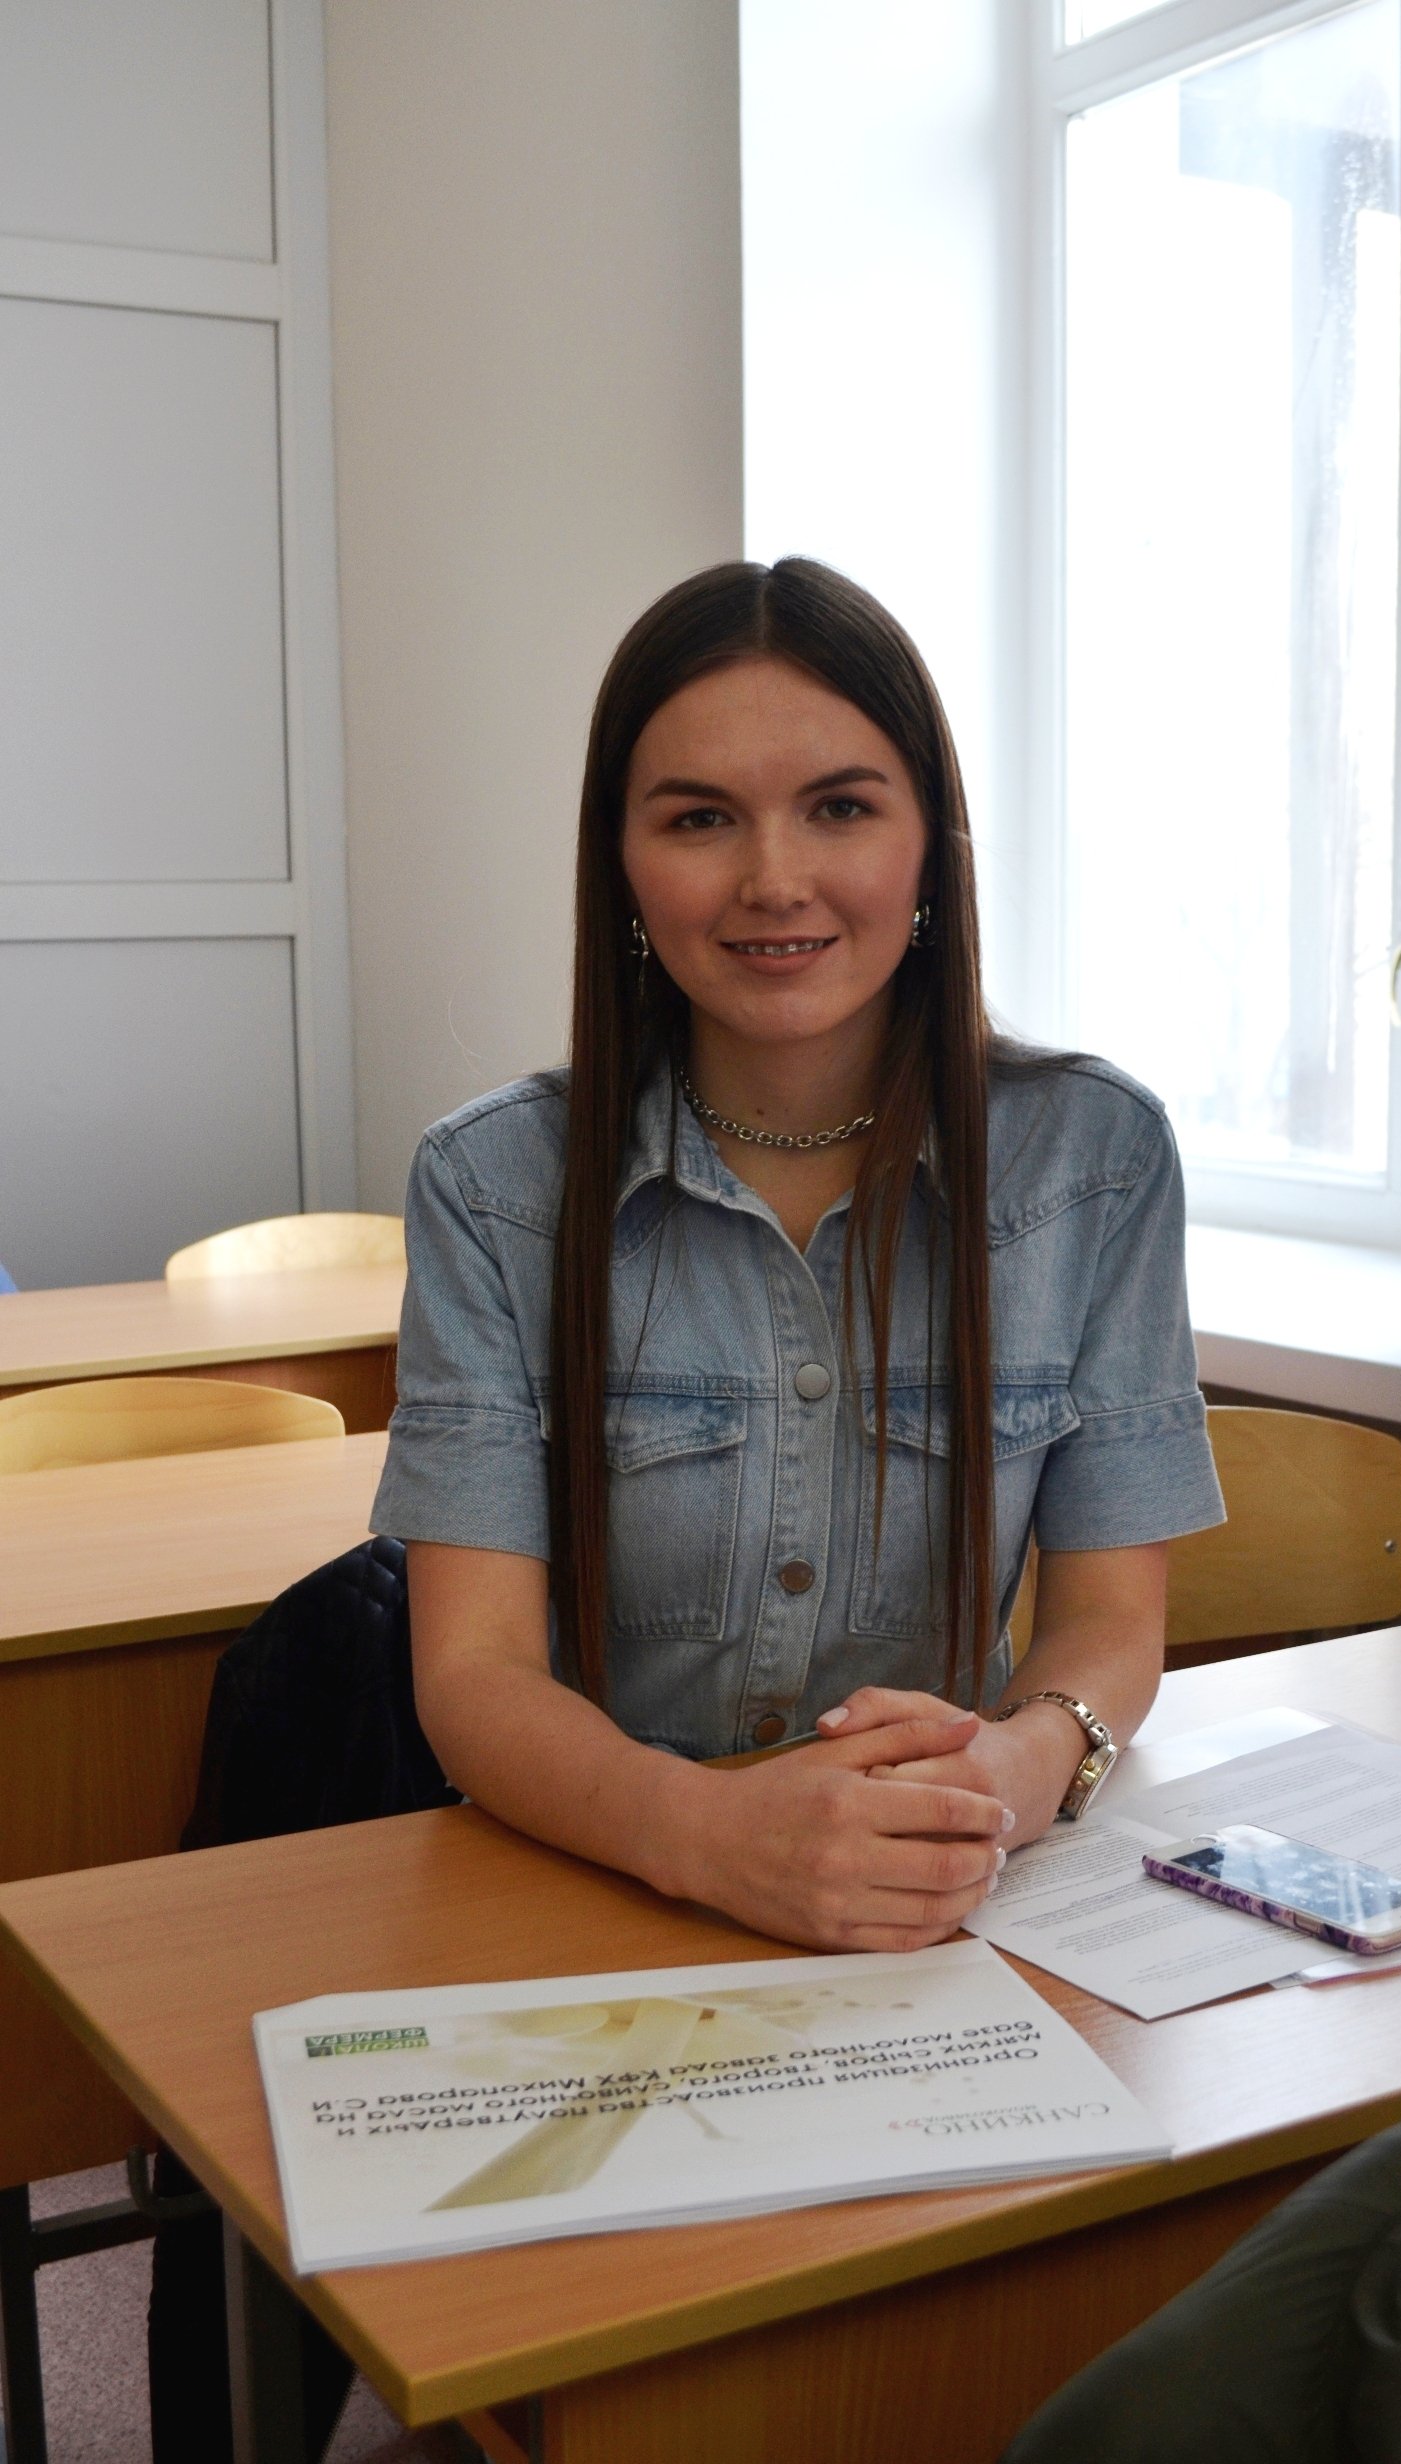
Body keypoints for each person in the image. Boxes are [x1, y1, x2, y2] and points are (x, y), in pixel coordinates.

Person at [371, 557, 1224, 1951]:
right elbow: (473, 1676)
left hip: (944, 1892)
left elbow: (1111, 1625)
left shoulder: (1095, 1158)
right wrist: (708, 1837)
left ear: (930, 844)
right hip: (600, 1884)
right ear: (622, 863)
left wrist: (1015, 1773)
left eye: (840, 807)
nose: (775, 881)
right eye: (700, 818)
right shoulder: (493, 1185)